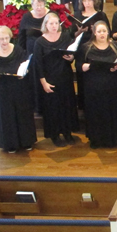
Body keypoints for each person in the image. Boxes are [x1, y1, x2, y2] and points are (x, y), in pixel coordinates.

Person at [0, 26, 37, 153]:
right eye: (1, 39)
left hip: (19, 88)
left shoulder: (18, 50)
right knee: (6, 116)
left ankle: (27, 141)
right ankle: (10, 144)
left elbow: (26, 65)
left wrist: (26, 70)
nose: (5, 41)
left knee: (23, 115)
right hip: (2, 90)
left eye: (7, 38)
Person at [79, 21, 117, 148]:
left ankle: (115, 138)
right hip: (94, 87)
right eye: (99, 31)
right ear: (94, 33)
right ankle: (97, 139)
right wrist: (86, 66)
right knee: (96, 113)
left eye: (104, 31)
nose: (102, 34)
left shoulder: (116, 46)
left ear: (108, 33)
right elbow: (79, 66)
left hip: (113, 86)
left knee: (113, 112)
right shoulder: (86, 47)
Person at [32, 12, 79, 147]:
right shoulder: (39, 42)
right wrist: (43, 82)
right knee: (52, 108)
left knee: (67, 105)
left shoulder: (65, 37)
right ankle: (55, 135)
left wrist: (71, 58)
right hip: (49, 79)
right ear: (45, 25)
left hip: (65, 77)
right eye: (51, 23)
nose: (54, 26)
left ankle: (67, 132)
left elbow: (72, 53)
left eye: (56, 23)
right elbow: (38, 64)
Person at [72, 0, 110, 110]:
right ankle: (83, 104)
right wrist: (79, 31)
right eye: (85, 1)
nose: (87, 3)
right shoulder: (77, 15)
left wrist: (97, 30)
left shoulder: (101, 15)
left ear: (94, 1)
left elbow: (109, 32)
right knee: (82, 73)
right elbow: (71, 35)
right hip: (81, 47)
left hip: (97, 46)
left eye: (89, 0)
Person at [17, 0, 49, 112]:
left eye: (41, 5)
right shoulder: (27, 17)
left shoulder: (50, 15)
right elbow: (21, 36)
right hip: (32, 53)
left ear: (44, 4)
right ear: (32, 5)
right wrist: (23, 53)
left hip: (46, 52)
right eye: (36, 5)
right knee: (34, 78)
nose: (39, 8)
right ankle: (36, 106)